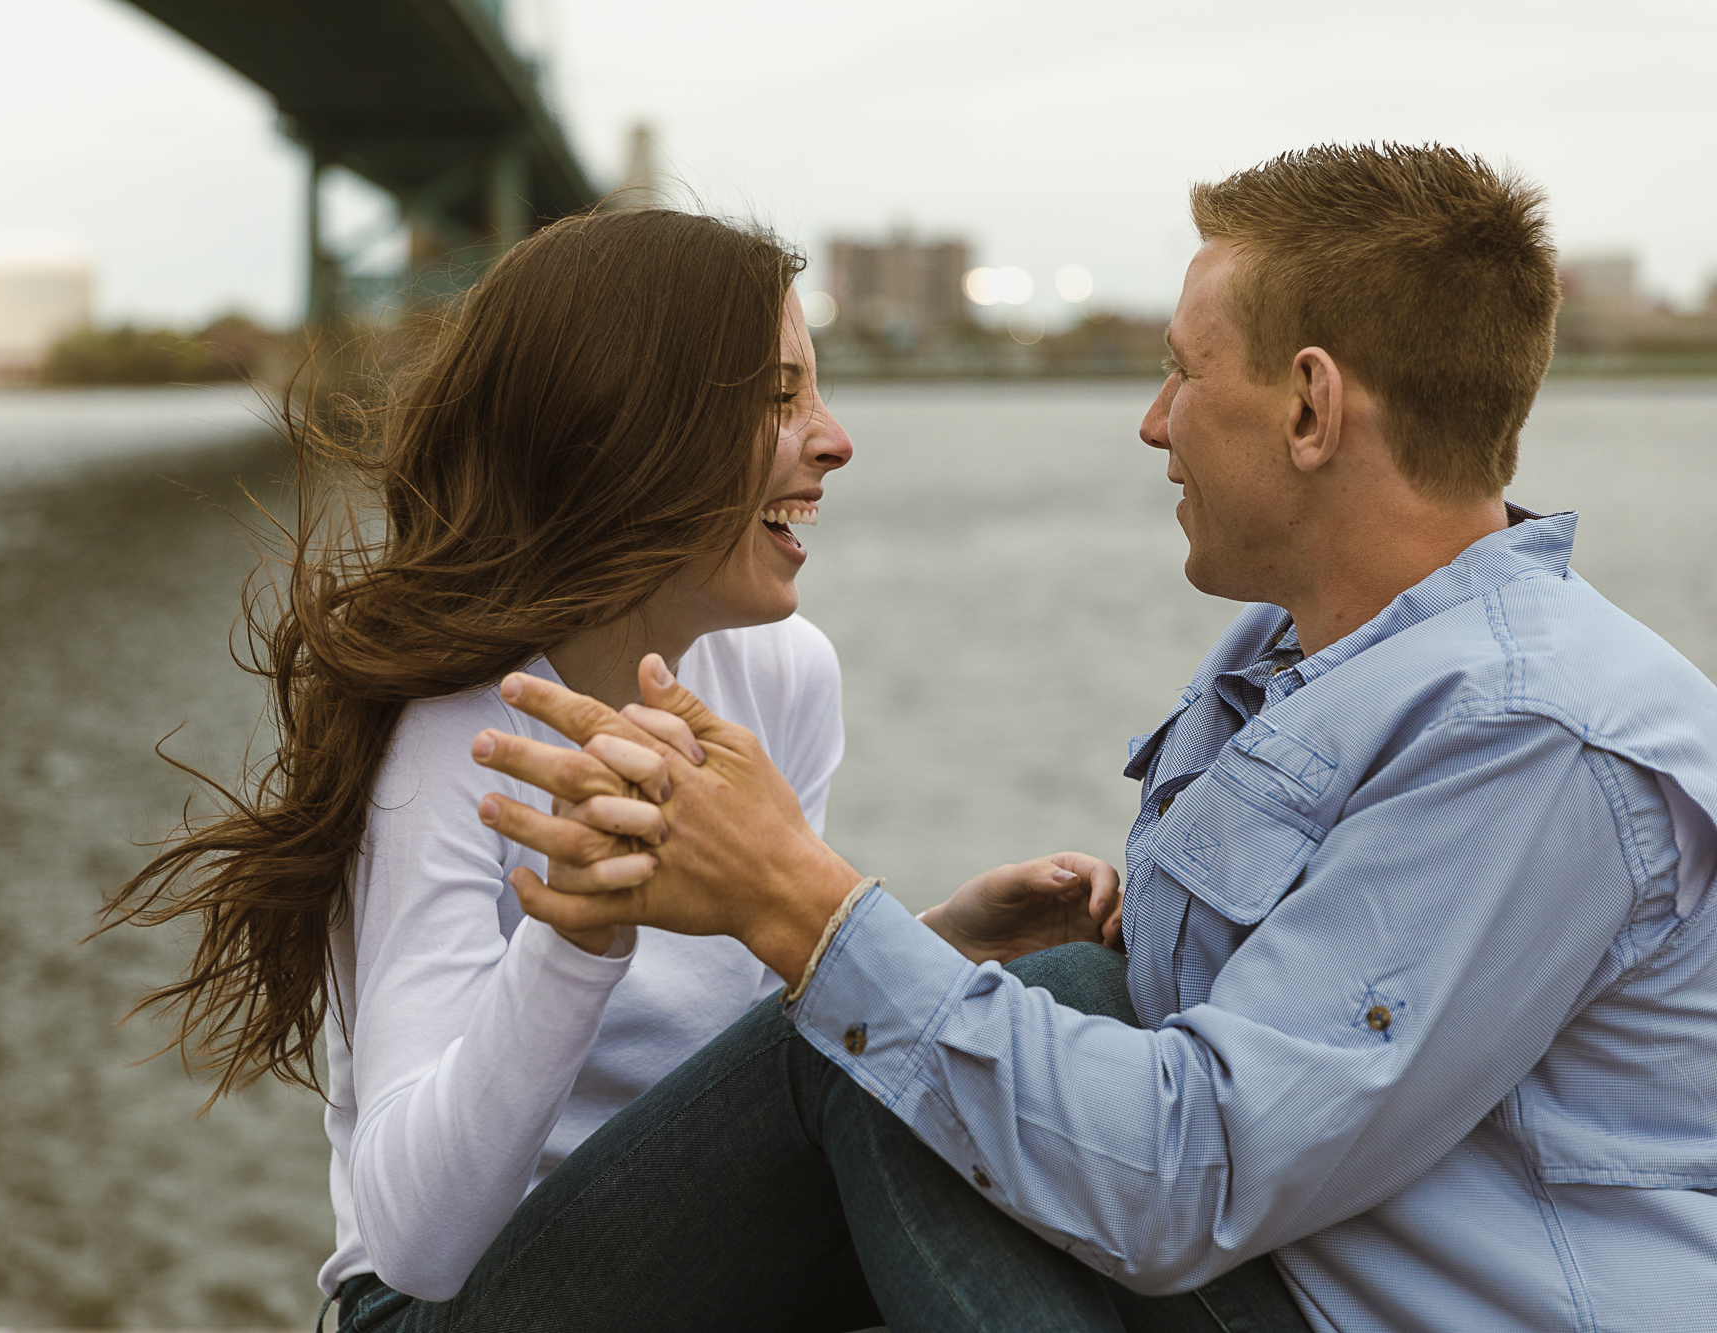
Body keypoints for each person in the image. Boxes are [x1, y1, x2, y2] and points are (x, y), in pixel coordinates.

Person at [463, 144, 1717, 1333]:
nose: (1153, 420)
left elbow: (1194, 1170)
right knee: (1010, 1012)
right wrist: (969, 948)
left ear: (1308, 407)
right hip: (1277, 1265)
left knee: (921, 1039)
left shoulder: (1536, 737)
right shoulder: (1284, 664)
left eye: (1184, 370)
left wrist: (798, 902)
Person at [99, 207, 943, 1310]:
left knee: (1047, 990)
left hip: (686, 1259)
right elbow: (416, 1243)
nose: (831, 438)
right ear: (635, 432)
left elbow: (758, 1032)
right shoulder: (451, 730)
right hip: (446, 1306)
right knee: (848, 1085)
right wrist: (577, 932)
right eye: (779, 399)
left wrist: (944, 944)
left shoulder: (782, 674)